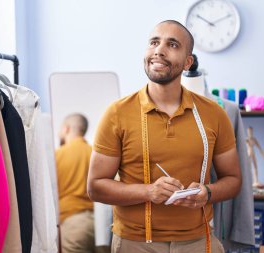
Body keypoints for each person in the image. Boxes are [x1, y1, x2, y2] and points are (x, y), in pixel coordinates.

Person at [87, 20, 242, 253]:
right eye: (154, 42)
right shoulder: (117, 114)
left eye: (172, 44)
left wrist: (207, 193)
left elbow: (233, 180)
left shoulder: (213, 114)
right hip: (134, 244)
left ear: (188, 62)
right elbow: (95, 187)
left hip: (199, 243)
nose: (159, 50)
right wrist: (149, 192)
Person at [56, 113, 95, 253]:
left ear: (66, 129)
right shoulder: (95, 154)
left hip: (73, 224)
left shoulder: (58, 155)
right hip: (101, 224)